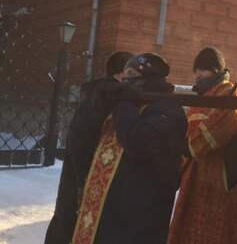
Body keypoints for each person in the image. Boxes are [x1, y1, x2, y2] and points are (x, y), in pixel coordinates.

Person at [70, 53, 187, 244]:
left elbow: (137, 144)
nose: (124, 80)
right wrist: (96, 107)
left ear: (147, 78)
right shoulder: (128, 102)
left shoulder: (168, 108)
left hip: (141, 214)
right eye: (123, 74)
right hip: (109, 209)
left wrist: (125, 103)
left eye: (130, 74)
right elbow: (81, 141)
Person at [45, 51, 133, 244]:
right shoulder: (107, 98)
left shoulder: (98, 94)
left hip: (77, 176)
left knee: (66, 221)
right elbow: (85, 142)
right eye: (132, 75)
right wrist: (86, 180)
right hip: (85, 176)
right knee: (73, 224)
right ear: (122, 74)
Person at [168, 47, 237, 244]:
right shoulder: (203, 97)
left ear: (215, 71)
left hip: (218, 176)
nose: (197, 76)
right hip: (194, 175)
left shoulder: (232, 94)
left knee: (214, 232)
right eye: (196, 71)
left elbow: (217, 129)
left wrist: (188, 146)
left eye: (202, 71)